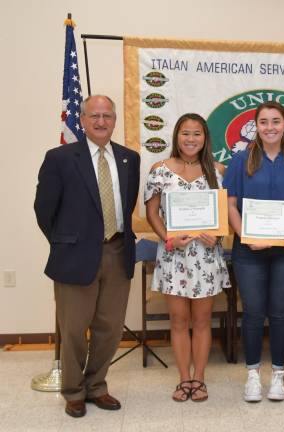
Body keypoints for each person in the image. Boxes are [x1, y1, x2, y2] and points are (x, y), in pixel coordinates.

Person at [34, 95, 140, 418]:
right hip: (75, 256)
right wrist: (65, 242)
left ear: (115, 120)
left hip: (118, 251)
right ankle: (73, 391)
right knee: (74, 328)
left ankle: (96, 386)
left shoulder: (129, 159)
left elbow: (128, 203)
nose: (101, 121)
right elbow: (44, 209)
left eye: (107, 115)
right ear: (82, 119)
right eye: (94, 115)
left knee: (110, 328)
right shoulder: (61, 158)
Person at [223, 101, 284, 402]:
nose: (270, 127)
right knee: (252, 313)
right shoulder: (240, 160)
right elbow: (230, 205)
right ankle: (252, 375)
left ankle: (278, 375)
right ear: (256, 126)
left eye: (276, 121)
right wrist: (246, 237)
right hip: (249, 251)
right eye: (264, 122)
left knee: (279, 313)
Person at [144, 113, 231, 402]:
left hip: (206, 256)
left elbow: (226, 213)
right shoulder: (160, 169)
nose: (191, 139)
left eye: (197, 134)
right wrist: (168, 236)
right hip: (174, 256)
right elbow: (152, 212)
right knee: (179, 320)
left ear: (205, 138)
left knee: (203, 319)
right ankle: (184, 379)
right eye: (185, 133)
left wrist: (218, 235)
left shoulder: (218, 171)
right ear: (176, 136)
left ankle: (200, 379)